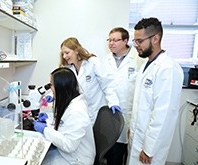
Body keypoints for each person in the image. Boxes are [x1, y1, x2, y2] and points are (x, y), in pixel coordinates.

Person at [127, 17, 184, 165]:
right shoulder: (146, 65)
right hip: (137, 137)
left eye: (139, 41)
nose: (136, 45)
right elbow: (141, 104)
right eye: (135, 41)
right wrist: (131, 128)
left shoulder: (167, 68)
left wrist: (149, 148)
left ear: (155, 39)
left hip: (150, 147)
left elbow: (163, 113)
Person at [33, 67, 96, 165]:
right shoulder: (70, 102)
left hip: (77, 159)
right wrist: (49, 121)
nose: (50, 88)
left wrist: (45, 129)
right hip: (67, 154)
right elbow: (65, 126)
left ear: (61, 87)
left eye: (52, 85)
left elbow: (69, 145)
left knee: (37, 160)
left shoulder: (77, 111)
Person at [102, 27, 145, 165]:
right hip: (109, 113)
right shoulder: (105, 60)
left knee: (121, 154)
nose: (111, 43)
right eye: (110, 40)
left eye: (115, 40)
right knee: (108, 151)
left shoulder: (138, 59)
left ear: (126, 41)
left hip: (128, 115)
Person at [59, 37, 121, 124]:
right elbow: (61, 84)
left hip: (96, 111)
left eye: (67, 53)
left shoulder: (92, 62)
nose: (64, 56)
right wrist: (51, 94)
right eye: (62, 54)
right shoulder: (68, 68)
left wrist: (113, 102)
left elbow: (107, 84)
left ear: (76, 50)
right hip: (80, 113)